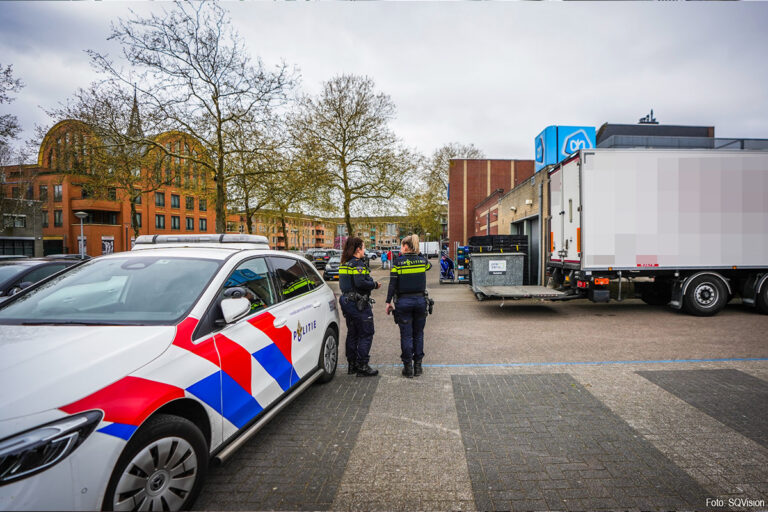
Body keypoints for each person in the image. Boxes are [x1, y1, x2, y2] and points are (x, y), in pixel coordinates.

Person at [385, 234, 432, 378]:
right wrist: (418, 252)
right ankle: (418, 366)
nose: (400, 249)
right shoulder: (422, 261)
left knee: (406, 335)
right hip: (420, 302)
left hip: (403, 303)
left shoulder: (398, 263)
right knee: (418, 334)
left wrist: (388, 302)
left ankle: (408, 368)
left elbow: (392, 284)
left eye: (401, 246)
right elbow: (428, 265)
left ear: (405, 247)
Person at [339, 236, 381, 377]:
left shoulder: (344, 264)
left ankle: (352, 365)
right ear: (358, 249)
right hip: (358, 304)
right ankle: (362, 364)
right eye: (363, 247)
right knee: (366, 333)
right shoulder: (358, 264)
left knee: (353, 333)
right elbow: (361, 282)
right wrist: (374, 284)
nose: (364, 250)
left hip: (347, 302)